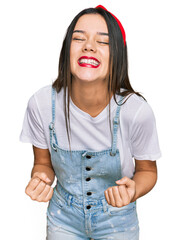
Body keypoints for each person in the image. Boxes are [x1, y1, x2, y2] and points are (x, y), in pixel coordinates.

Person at [20, 5, 161, 240]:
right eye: (79, 38)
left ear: (117, 55)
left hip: (118, 220)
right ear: (67, 50)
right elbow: (43, 163)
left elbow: (147, 170)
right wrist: (40, 178)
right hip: (63, 218)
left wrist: (134, 189)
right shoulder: (42, 104)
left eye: (103, 42)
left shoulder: (136, 110)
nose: (89, 45)